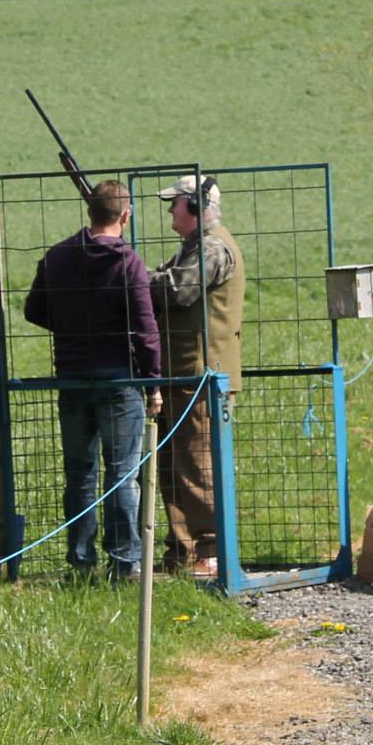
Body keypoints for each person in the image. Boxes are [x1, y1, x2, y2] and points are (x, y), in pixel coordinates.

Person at [22, 179, 162, 581]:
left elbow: (34, 310)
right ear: (125, 215)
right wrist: (154, 383)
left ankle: (81, 562)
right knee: (122, 473)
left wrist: (71, 328)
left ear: (89, 211)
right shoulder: (129, 262)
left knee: (80, 472)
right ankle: (125, 563)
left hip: (71, 376)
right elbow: (145, 329)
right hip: (119, 379)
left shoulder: (57, 256)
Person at [150, 174, 244, 578]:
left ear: (195, 206)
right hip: (184, 374)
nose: (171, 209)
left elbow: (178, 291)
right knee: (174, 469)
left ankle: (211, 552)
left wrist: (134, 277)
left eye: (176, 202)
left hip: (201, 377)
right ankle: (183, 553)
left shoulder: (211, 247)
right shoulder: (195, 247)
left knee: (198, 466)